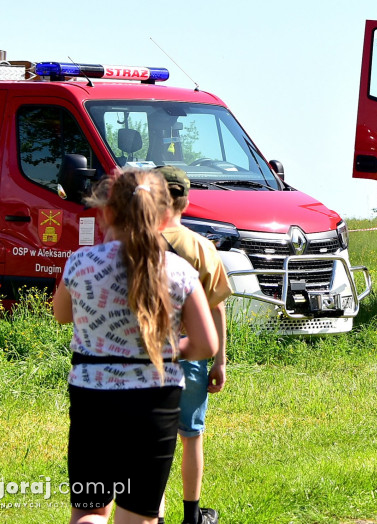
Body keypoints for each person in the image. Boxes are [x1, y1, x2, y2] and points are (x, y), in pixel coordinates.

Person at [53, 169, 218, 524]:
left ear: (106, 212)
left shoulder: (81, 264)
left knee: (88, 511)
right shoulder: (178, 271)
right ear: (163, 215)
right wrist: (171, 350)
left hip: (92, 399)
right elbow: (206, 343)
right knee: (138, 515)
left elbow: (61, 314)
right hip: (154, 401)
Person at [155, 167, 233, 524]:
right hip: (190, 354)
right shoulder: (201, 246)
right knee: (191, 436)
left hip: (139, 356)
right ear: (186, 200)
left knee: (151, 444)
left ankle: (148, 515)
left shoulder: (129, 244)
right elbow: (216, 307)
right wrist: (220, 360)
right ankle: (192, 516)